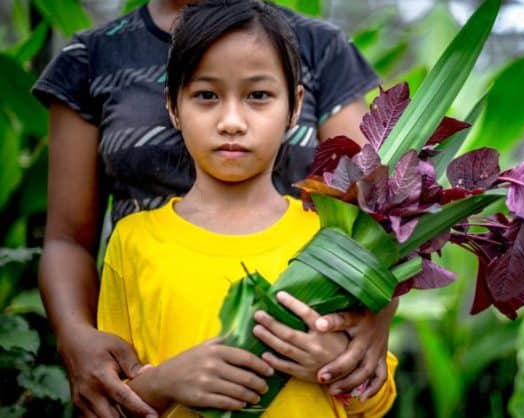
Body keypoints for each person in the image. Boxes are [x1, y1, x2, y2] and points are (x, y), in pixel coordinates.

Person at [33, 1, 396, 417]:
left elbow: (378, 215)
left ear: (295, 106)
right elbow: (66, 240)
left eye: (258, 95)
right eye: (206, 96)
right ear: (173, 104)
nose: (232, 121)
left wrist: (374, 313)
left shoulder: (326, 244)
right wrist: (81, 340)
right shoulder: (133, 245)